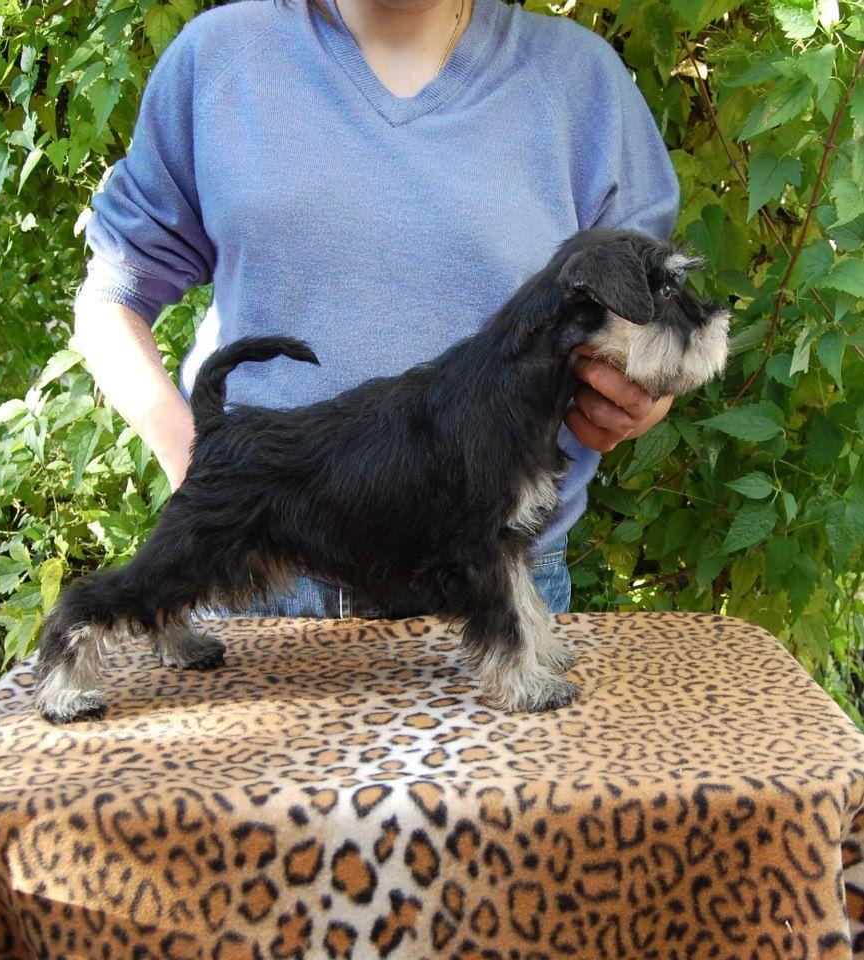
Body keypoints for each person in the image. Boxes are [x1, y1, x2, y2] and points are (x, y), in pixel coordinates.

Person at [72, 0, 677, 619]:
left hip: (496, 572)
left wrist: (639, 398)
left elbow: (653, 319)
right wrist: (200, 461)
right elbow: (113, 295)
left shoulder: (582, 79)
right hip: (261, 563)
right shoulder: (216, 59)